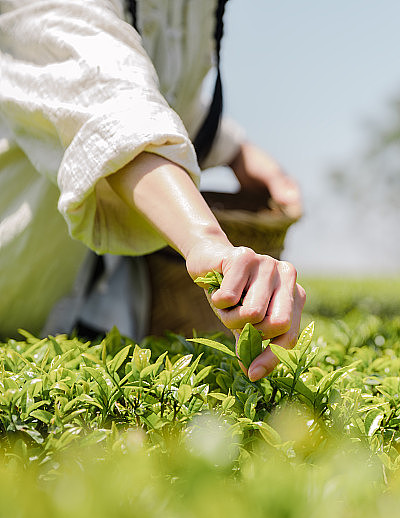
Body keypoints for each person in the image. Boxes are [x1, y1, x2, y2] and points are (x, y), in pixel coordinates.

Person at [0, 0, 304, 381]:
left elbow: (165, 93)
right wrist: (206, 241)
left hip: (88, 300)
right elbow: (103, 98)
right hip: (14, 273)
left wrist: (237, 151)